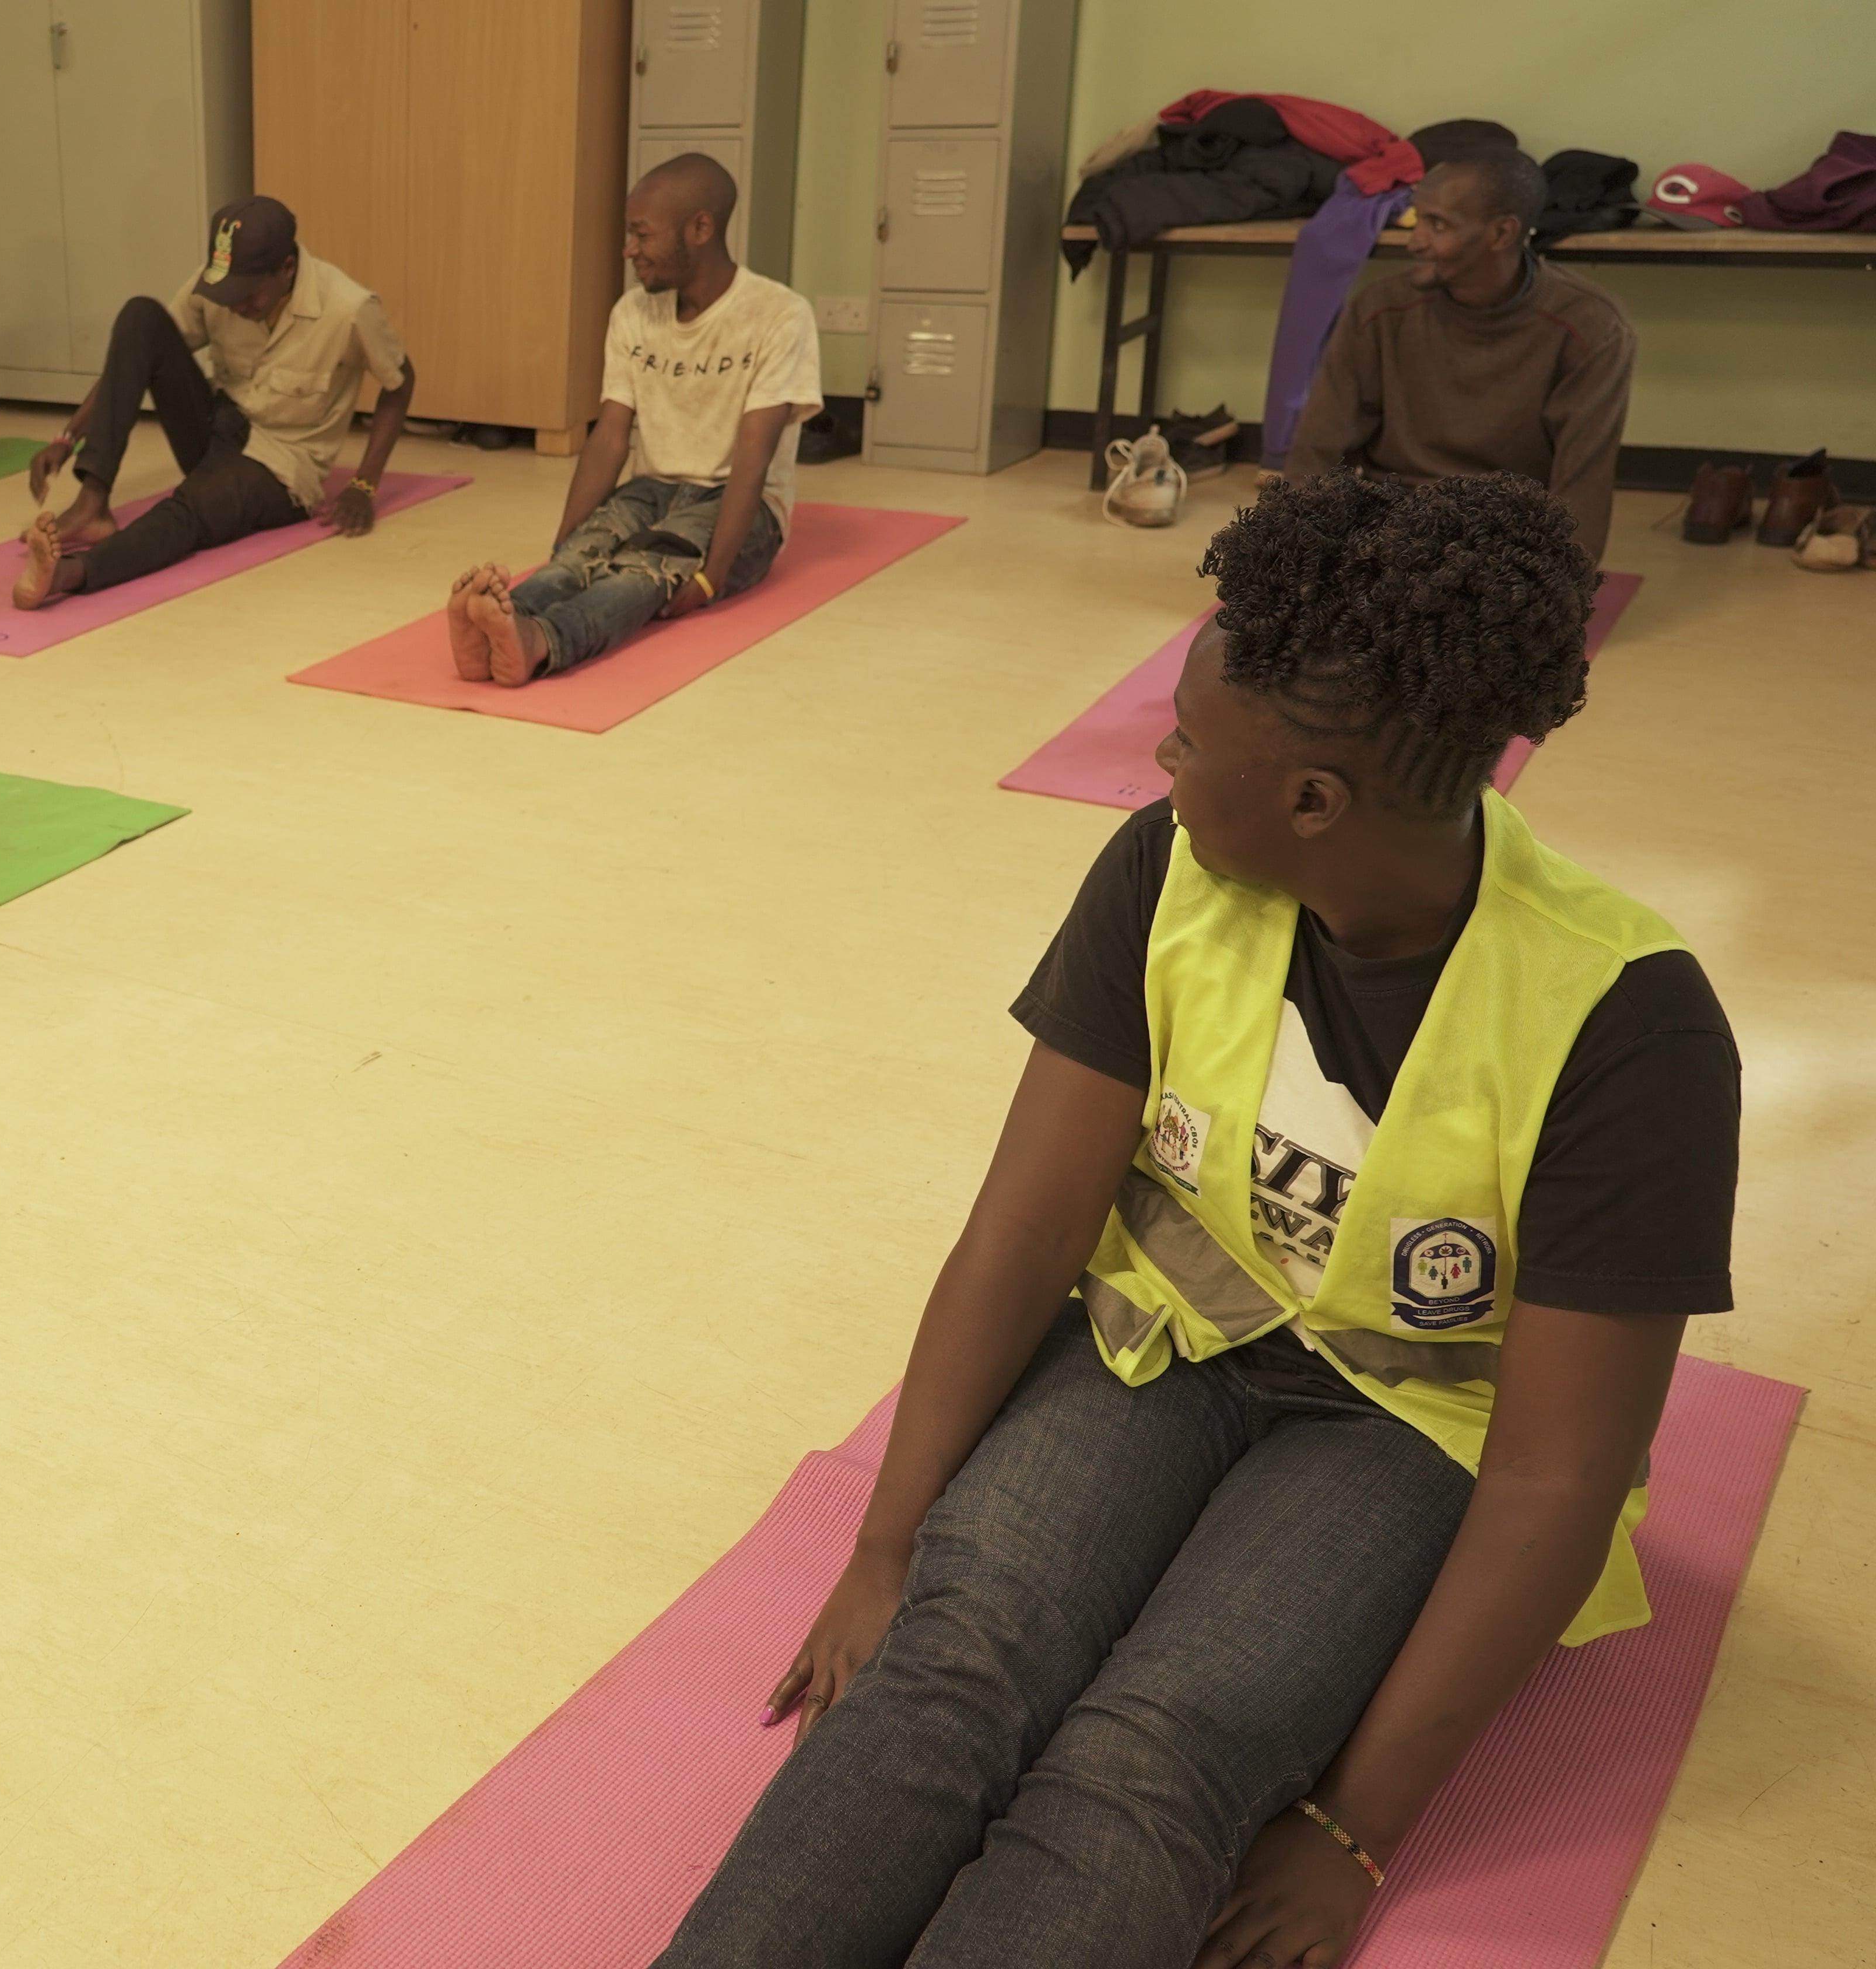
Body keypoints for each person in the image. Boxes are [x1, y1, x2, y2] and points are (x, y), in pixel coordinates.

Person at [651, 471, 1738, 1969]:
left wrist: (1356, 1822)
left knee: (1157, 1750)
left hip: (1404, 1433)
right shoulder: (1163, 874)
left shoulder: (1632, 1027)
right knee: (954, 1660)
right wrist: (888, 1542)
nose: (1158, 761)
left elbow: (1559, 1475)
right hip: (1165, 1342)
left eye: (1185, 742)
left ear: (1312, 799)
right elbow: (1024, 1232)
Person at [448, 154, 822, 686]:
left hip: (740, 506)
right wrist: (564, 544)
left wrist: (712, 577)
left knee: (640, 574)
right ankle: (492, 629)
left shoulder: (780, 315)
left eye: (642, 236)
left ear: (700, 228)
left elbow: (755, 452)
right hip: (651, 489)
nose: (629, 251)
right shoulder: (632, 313)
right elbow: (610, 437)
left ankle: (542, 643)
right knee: (580, 556)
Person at [12, 195, 415, 609]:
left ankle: (71, 573)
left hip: (280, 468)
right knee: (141, 316)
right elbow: (137, 353)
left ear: (287, 270)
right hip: (219, 428)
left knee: (191, 509)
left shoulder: (349, 309)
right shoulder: (220, 288)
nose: (236, 305)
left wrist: (364, 484)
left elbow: (400, 383)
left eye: (249, 294)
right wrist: (67, 438)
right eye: (228, 292)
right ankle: (92, 503)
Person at [1285, 150, 1633, 562]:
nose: (1414, 242)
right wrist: (1294, 560)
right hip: (1394, 528)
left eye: (1438, 225)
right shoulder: (1378, 310)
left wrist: (1559, 593)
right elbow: (1318, 452)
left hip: (1509, 538)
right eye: (1417, 219)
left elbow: (1583, 486)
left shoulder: (1592, 327)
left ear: (1502, 234)